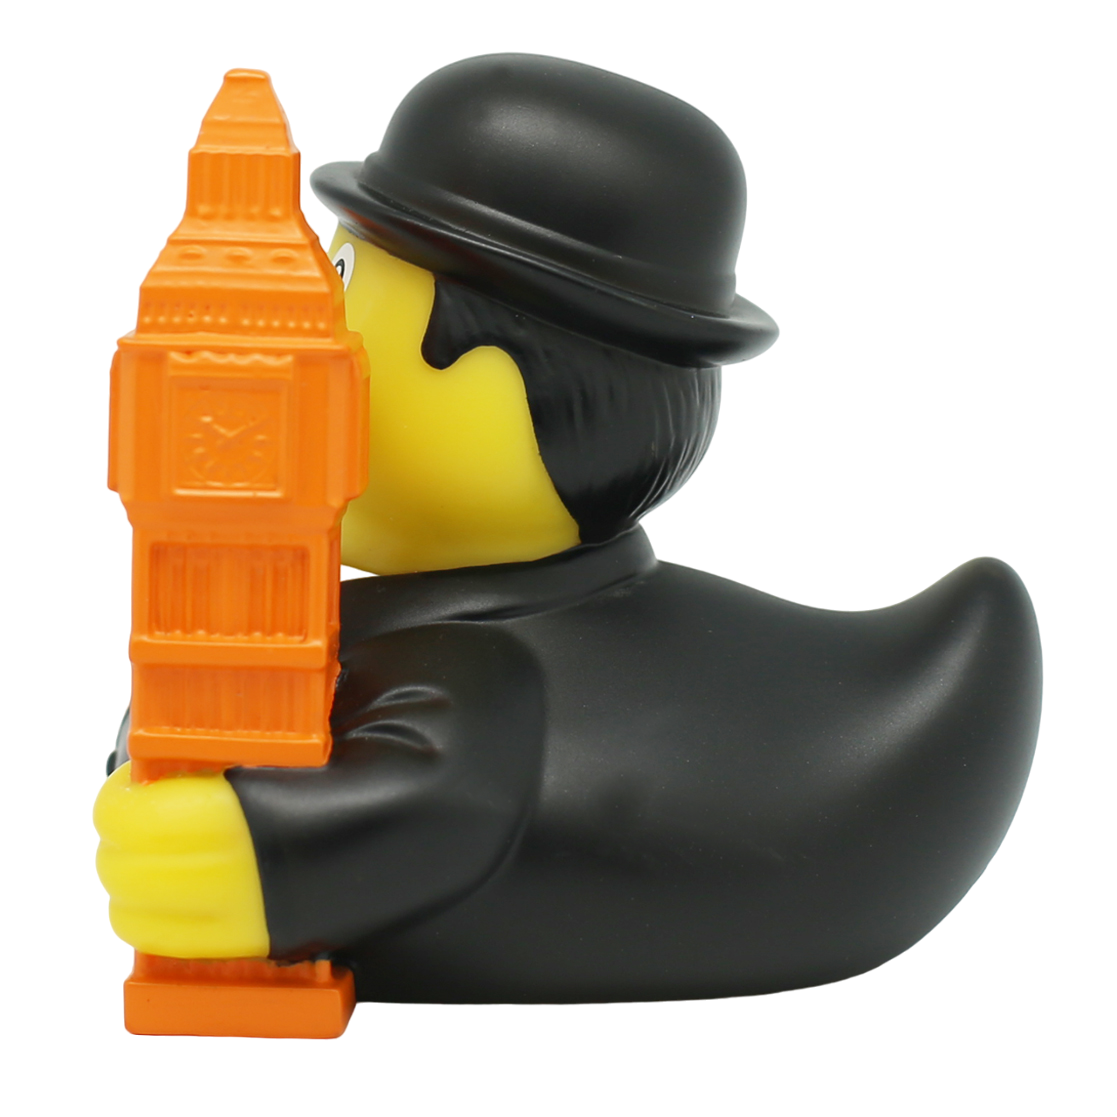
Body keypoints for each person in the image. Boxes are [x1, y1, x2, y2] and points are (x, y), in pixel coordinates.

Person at [94, 53, 1040, 1005]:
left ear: (524, 383)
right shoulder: (380, 614)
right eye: (334, 264)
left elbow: (440, 806)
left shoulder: (475, 672)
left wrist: (254, 855)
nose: (298, 333)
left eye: (342, 291)